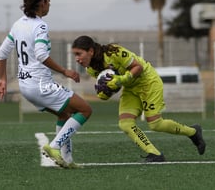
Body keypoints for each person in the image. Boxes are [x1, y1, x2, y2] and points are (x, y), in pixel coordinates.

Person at [0, 0, 92, 168]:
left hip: (26, 87)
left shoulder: (18, 25)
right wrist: (65, 71)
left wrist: (2, 79)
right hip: (41, 86)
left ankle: (67, 160)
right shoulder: (40, 26)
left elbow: (1, 53)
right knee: (85, 110)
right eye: (49, 0)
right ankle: (54, 146)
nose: (50, 5)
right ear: (42, 2)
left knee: (65, 114)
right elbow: (41, 55)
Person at [71, 35, 206, 162]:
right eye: (75, 55)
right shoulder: (91, 70)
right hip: (130, 88)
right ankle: (155, 154)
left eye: (79, 54)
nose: (76, 59)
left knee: (155, 124)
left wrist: (121, 79)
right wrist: (105, 93)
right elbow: (111, 85)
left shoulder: (114, 52)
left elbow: (138, 67)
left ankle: (193, 132)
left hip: (148, 82)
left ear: (91, 51)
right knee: (125, 124)